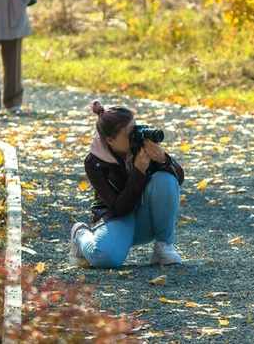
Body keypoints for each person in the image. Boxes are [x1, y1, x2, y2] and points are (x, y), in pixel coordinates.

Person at [69, 101, 186, 268]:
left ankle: (163, 247)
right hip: (118, 218)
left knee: (165, 178)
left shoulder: (142, 145)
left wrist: (164, 160)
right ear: (110, 140)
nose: (136, 135)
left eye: (136, 127)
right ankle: (80, 234)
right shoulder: (94, 163)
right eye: (130, 134)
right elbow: (118, 209)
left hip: (146, 219)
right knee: (105, 259)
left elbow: (177, 180)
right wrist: (138, 172)